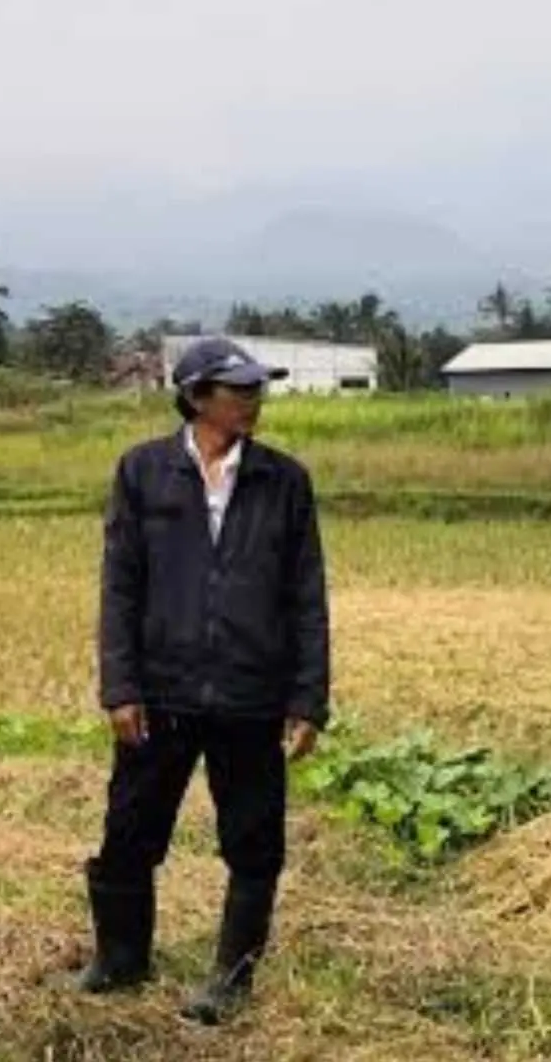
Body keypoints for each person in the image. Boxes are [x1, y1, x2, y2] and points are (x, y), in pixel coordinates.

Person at [81, 336, 329, 1028]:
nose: (253, 399)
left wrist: (308, 698)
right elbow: (120, 587)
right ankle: (121, 959)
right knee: (130, 829)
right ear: (195, 397)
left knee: (254, 839)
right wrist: (120, 687)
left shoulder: (284, 480)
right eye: (238, 389)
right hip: (161, 691)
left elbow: (306, 595)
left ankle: (232, 977)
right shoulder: (143, 471)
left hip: (251, 692)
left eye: (256, 388)